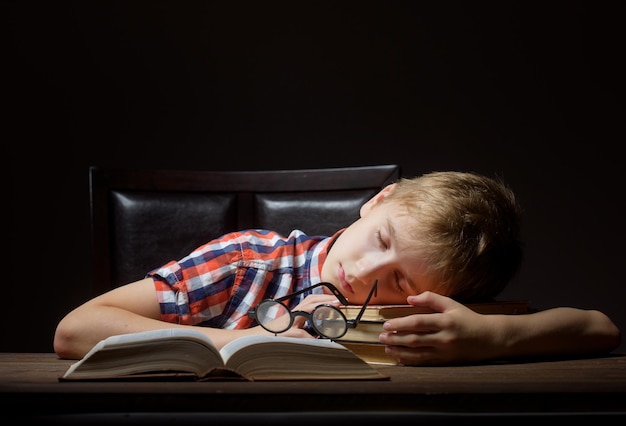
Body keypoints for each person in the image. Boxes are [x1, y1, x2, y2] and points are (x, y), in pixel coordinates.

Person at [53, 171, 621, 365]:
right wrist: (238, 345)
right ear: (379, 199)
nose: (367, 273)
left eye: (402, 280)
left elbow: (600, 328)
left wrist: (487, 336)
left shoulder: (421, 321)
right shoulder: (250, 262)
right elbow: (76, 329)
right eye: (380, 239)